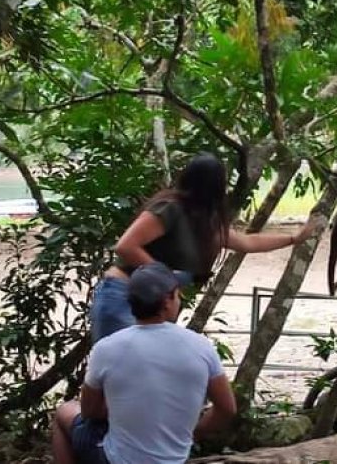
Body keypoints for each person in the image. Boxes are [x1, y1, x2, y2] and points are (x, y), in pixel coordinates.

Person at [89, 152, 320, 342]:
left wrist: (294, 238)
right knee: (120, 377)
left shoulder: (204, 221)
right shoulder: (169, 208)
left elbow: (247, 242)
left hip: (154, 308)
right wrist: (164, 279)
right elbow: (126, 246)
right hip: (122, 295)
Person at [53, 263, 235, 464]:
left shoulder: (107, 347)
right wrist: (195, 433)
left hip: (116, 459)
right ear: (167, 301)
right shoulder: (202, 347)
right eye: (177, 294)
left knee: (65, 412)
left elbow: (89, 412)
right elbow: (227, 408)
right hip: (173, 459)